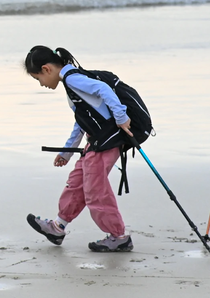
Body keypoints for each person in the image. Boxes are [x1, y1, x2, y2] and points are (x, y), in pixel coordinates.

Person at [24, 46, 134, 253]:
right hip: (95, 142)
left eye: (38, 79)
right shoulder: (70, 84)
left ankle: (119, 236)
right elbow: (81, 121)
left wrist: (121, 117)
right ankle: (58, 227)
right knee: (76, 183)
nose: (41, 84)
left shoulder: (72, 79)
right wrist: (67, 151)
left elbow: (104, 89)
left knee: (95, 190)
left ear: (47, 69)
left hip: (106, 142)